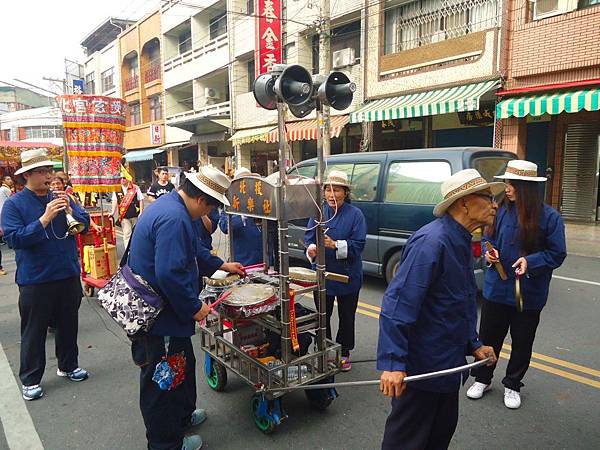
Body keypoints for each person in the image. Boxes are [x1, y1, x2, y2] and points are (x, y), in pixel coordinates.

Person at [377, 168, 500, 450]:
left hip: (448, 365)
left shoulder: (461, 240)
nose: (495, 205)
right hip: (423, 369)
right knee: (406, 442)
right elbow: (398, 304)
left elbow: (457, 303)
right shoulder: (432, 242)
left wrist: (474, 344)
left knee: (439, 436)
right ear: (464, 203)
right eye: (487, 197)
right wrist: (393, 363)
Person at [128, 167, 244, 450]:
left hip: (167, 312)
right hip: (159, 316)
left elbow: (192, 253)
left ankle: (181, 416)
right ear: (203, 200)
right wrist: (195, 308)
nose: (211, 214)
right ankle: (165, 443)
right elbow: (169, 273)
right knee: (162, 380)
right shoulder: (174, 218)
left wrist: (221, 265)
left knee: (181, 365)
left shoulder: (173, 206)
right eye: (214, 207)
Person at [467, 160, 566, 409]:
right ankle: (483, 378)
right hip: (496, 289)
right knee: (489, 337)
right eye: (506, 183)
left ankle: (512, 384)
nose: (506, 188)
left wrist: (530, 261)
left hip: (529, 293)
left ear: (525, 187)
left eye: (511, 184)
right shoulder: (498, 211)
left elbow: (557, 254)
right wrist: (489, 254)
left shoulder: (550, 217)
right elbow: (486, 239)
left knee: (522, 342)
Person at [0, 148, 90, 401]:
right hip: (35, 279)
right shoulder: (14, 204)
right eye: (41, 172)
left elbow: (83, 226)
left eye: (49, 170)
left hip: (67, 273)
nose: (48, 176)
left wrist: (72, 206)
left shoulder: (61, 196)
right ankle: (30, 379)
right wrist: (45, 218)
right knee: (34, 331)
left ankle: (68, 365)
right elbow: (14, 239)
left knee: (68, 325)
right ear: (27, 175)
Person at [304, 170, 367, 371]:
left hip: (348, 276)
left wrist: (335, 245)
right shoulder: (318, 213)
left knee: (347, 317)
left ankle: (344, 352)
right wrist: (311, 249)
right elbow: (308, 238)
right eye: (328, 190)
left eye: (336, 190)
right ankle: (324, 349)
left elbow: (358, 245)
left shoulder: (356, 215)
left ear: (345, 193)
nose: (332, 194)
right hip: (322, 276)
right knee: (322, 315)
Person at [111, 174, 144, 249]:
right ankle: (128, 251)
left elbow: (141, 200)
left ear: (128, 178)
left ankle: (137, 249)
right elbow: (114, 201)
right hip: (124, 216)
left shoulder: (135, 188)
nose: (122, 179)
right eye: (121, 178)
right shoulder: (116, 189)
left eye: (124, 178)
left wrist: (141, 212)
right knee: (127, 234)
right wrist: (113, 212)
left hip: (135, 215)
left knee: (136, 234)